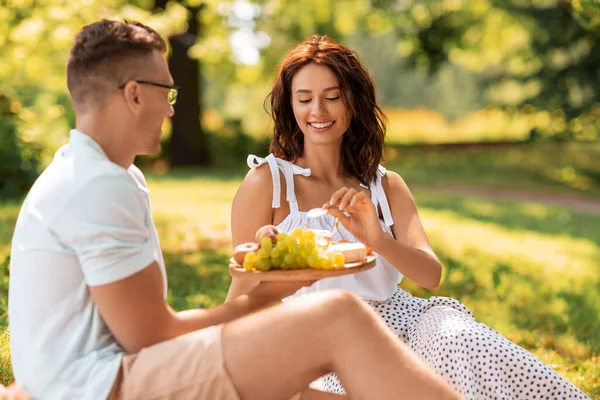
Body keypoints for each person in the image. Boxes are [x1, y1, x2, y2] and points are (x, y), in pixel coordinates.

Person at [7, 20, 462, 400]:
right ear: (133, 94)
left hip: (100, 375)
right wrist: (270, 293)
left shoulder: (109, 176)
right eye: (168, 91)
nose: (170, 110)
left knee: (335, 340)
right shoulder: (95, 187)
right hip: (104, 386)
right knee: (338, 317)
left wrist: (278, 281)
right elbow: (151, 337)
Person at [227, 35, 591, 400]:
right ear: (290, 106)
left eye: (332, 97)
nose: (317, 111)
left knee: (462, 340)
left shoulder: (386, 185)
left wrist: (378, 240)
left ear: (353, 102)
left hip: (412, 321)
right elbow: (240, 290)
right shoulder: (267, 183)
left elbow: (430, 275)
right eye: (304, 99)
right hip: (333, 345)